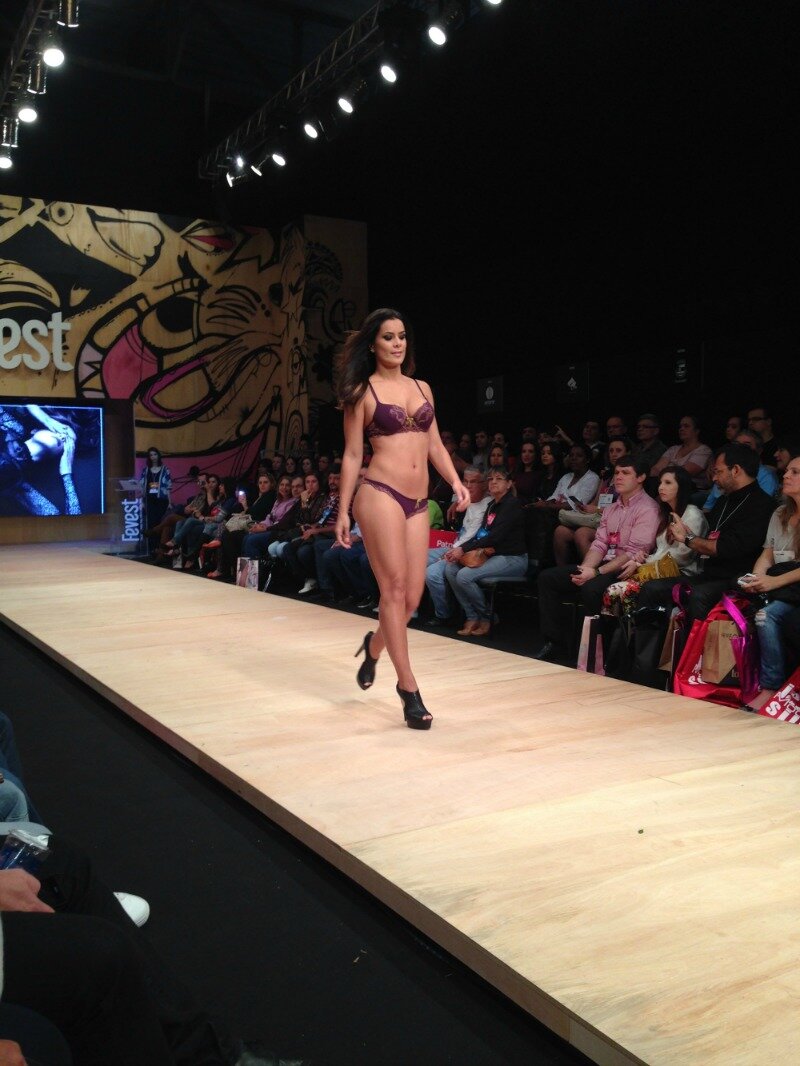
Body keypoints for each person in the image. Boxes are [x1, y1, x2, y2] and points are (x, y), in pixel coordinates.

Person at [335, 308, 469, 730]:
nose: (397, 343)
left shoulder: (422, 387)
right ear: (373, 344)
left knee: (410, 600)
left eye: (402, 336)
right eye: (388, 337)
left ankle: (374, 647)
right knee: (392, 590)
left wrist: (456, 482)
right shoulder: (362, 391)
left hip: (417, 501)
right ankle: (408, 689)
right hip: (380, 494)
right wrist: (342, 510)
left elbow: (435, 444)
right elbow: (353, 455)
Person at [533, 454, 660, 662]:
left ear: (641, 477)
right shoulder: (612, 508)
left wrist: (596, 572)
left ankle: (601, 652)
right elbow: (600, 544)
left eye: (625, 473)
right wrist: (586, 569)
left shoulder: (648, 508)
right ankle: (555, 645)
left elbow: (634, 551)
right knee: (548, 578)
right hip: (602, 564)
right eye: (616, 472)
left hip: (628, 569)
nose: (618, 477)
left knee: (591, 588)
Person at [637, 443, 775, 623]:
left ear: (735, 470)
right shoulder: (723, 500)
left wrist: (688, 538)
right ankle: (650, 642)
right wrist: (688, 537)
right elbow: (710, 538)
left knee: (699, 595)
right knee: (651, 588)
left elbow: (726, 547)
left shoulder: (762, 505)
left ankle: (692, 643)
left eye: (718, 472)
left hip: (735, 578)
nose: (714, 478)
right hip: (708, 574)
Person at [738, 453, 800, 712]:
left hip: (790, 586)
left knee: (766, 616)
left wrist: (772, 582)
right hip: (783, 586)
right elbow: (767, 555)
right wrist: (755, 578)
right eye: (787, 471)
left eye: (795, 472)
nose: (786, 475)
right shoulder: (780, 513)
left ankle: (770, 687)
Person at [445, 467, 527, 637]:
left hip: (513, 558)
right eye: (490, 479)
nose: (493, 482)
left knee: (464, 576)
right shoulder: (491, 505)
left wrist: (463, 549)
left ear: (509, 484)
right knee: (451, 569)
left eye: (499, 478)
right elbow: (481, 534)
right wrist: (458, 550)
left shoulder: (512, 504)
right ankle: (472, 616)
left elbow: (495, 537)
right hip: (491, 555)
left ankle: (486, 617)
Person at [425, 467, 491, 627]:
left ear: (484, 484)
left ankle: (443, 615)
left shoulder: (489, 504)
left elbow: (475, 537)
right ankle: (409, 608)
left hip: (468, 551)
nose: (468, 486)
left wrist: (451, 552)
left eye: (473, 482)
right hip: (454, 546)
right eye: (465, 481)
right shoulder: (466, 500)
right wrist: (456, 502)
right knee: (415, 558)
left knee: (432, 573)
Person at [651, 415, 712, 490]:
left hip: (692, 491)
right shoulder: (673, 449)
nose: (681, 429)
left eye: (686, 426)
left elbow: (683, 473)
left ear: (696, 431)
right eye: (680, 427)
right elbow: (656, 469)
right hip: (667, 487)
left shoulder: (703, 450)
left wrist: (664, 471)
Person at [140, 447, 172, 553]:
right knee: (151, 523)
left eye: (155, 454)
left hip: (161, 500)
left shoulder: (165, 469)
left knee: (160, 522)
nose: (153, 457)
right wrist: (142, 501)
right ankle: (151, 548)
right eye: (151, 455)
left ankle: (160, 548)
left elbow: (168, 487)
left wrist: (170, 502)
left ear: (158, 455)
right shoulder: (145, 470)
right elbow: (141, 487)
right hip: (149, 500)